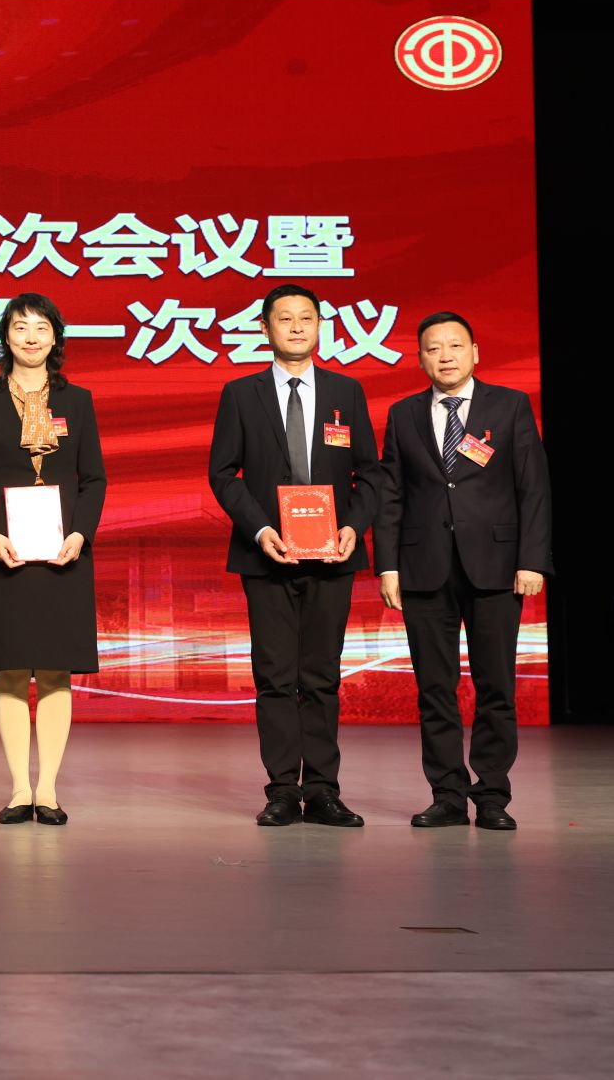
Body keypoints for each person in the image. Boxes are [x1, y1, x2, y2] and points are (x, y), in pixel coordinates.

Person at [208, 284, 381, 828]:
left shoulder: (346, 391)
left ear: (320, 326)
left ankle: (324, 790)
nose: (297, 327)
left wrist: (353, 527)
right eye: (285, 319)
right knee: (276, 677)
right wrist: (260, 529)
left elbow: (370, 473)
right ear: (265, 328)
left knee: (323, 676)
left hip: (333, 555)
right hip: (267, 556)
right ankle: (283, 790)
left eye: (307, 317)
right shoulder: (242, 393)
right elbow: (223, 473)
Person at [375, 312, 551, 830]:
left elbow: (533, 489)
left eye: (455, 346)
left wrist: (531, 560)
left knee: (496, 686)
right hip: (423, 568)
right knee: (435, 688)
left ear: (475, 352)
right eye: (433, 348)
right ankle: (447, 795)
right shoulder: (403, 414)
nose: (445, 356)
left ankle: (492, 795)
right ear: (420, 359)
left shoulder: (510, 405)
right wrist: (387, 565)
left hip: (496, 567)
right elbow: (390, 495)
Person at [0, 294, 106, 826]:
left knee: (57, 671)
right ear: (5, 337)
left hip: (65, 552)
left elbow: (94, 479)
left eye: (42, 328)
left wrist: (81, 533)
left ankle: (49, 791)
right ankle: (20, 789)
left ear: (56, 337)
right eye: (21, 328)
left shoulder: (78, 402)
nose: (32, 337)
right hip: (7, 552)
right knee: (12, 670)